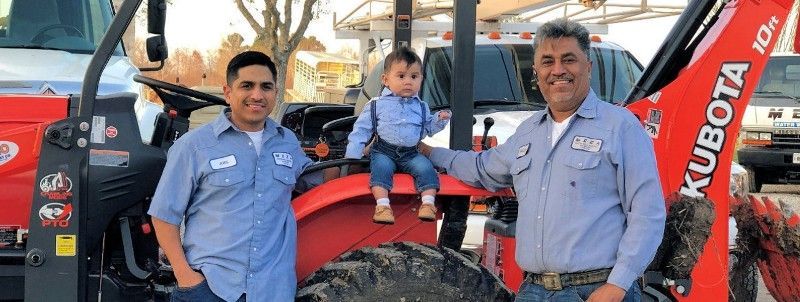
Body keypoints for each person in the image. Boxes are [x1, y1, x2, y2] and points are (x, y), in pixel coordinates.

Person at [420, 19, 666, 301]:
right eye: (548, 62)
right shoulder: (528, 132)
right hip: (533, 291)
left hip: (594, 290)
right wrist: (429, 152)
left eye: (568, 59)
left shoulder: (620, 127)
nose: (558, 70)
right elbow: (481, 168)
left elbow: (648, 213)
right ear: (536, 73)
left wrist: (618, 285)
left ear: (588, 66)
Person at [148, 51, 322, 302]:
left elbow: (319, 180)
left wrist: (369, 150)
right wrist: (185, 276)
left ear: (275, 93)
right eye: (246, 86)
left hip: (273, 291)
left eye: (266, 87)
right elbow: (164, 216)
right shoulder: (194, 146)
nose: (257, 95)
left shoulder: (288, 143)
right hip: (211, 289)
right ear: (228, 92)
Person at [345, 46, 451, 224]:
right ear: (386, 80)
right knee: (381, 169)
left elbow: (427, 130)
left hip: (411, 153)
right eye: (401, 76)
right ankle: (383, 206)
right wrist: (352, 157)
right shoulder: (376, 105)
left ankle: (427, 204)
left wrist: (439, 120)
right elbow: (360, 131)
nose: (408, 81)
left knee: (426, 168)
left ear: (421, 79)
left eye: (414, 76)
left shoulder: (422, 107)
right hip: (383, 150)